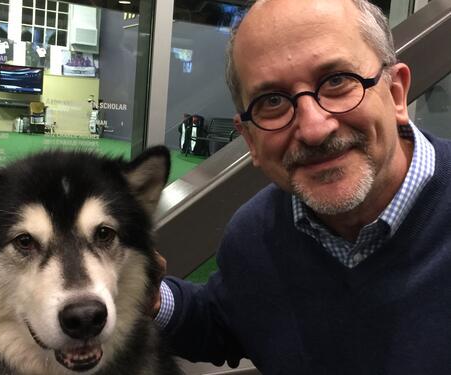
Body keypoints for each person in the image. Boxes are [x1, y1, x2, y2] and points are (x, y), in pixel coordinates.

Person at [154, 0, 451, 374]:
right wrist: (148, 297)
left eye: (337, 81)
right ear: (250, 141)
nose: (314, 128)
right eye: (273, 101)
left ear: (395, 93)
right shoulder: (254, 237)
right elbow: (227, 322)